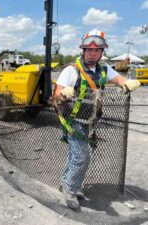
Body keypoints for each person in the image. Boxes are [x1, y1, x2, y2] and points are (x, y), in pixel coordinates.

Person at [53, 29, 141, 210]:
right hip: (72, 120)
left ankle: (69, 184)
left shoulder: (104, 69)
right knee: (81, 157)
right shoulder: (72, 70)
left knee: (76, 156)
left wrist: (125, 83)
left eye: (96, 50)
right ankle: (70, 190)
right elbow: (55, 96)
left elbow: (118, 79)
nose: (92, 53)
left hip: (91, 122)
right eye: (89, 50)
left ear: (102, 52)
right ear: (83, 51)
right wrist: (62, 95)